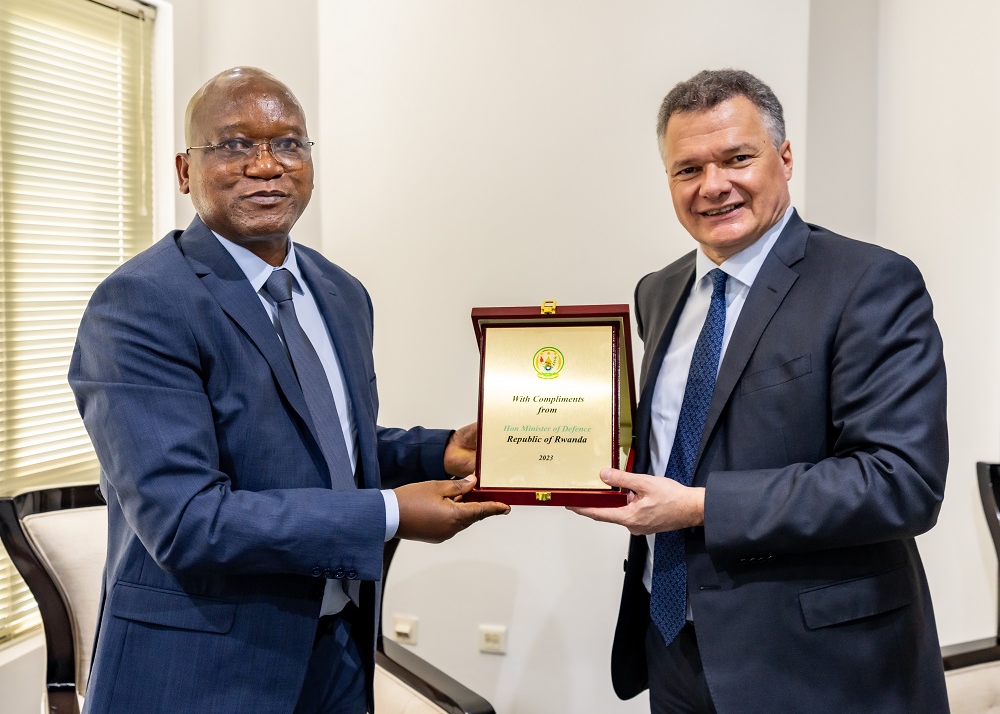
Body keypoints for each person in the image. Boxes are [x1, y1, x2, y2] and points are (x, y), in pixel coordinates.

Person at [68, 66, 509, 714]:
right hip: (202, 671)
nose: (266, 165)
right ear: (185, 171)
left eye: (288, 143)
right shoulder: (140, 303)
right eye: (235, 144)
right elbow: (186, 521)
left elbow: (320, 443)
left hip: (338, 649)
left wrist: (437, 452)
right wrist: (389, 513)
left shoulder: (340, 292)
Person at [571, 69, 949, 713]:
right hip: (673, 645)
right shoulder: (657, 292)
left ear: (785, 157)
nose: (713, 185)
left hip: (817, 663)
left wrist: (700, 507)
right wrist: (539, 449)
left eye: (737, 158)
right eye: (688, 169)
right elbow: (675, 439)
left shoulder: (869, 283)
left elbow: (899, 482)